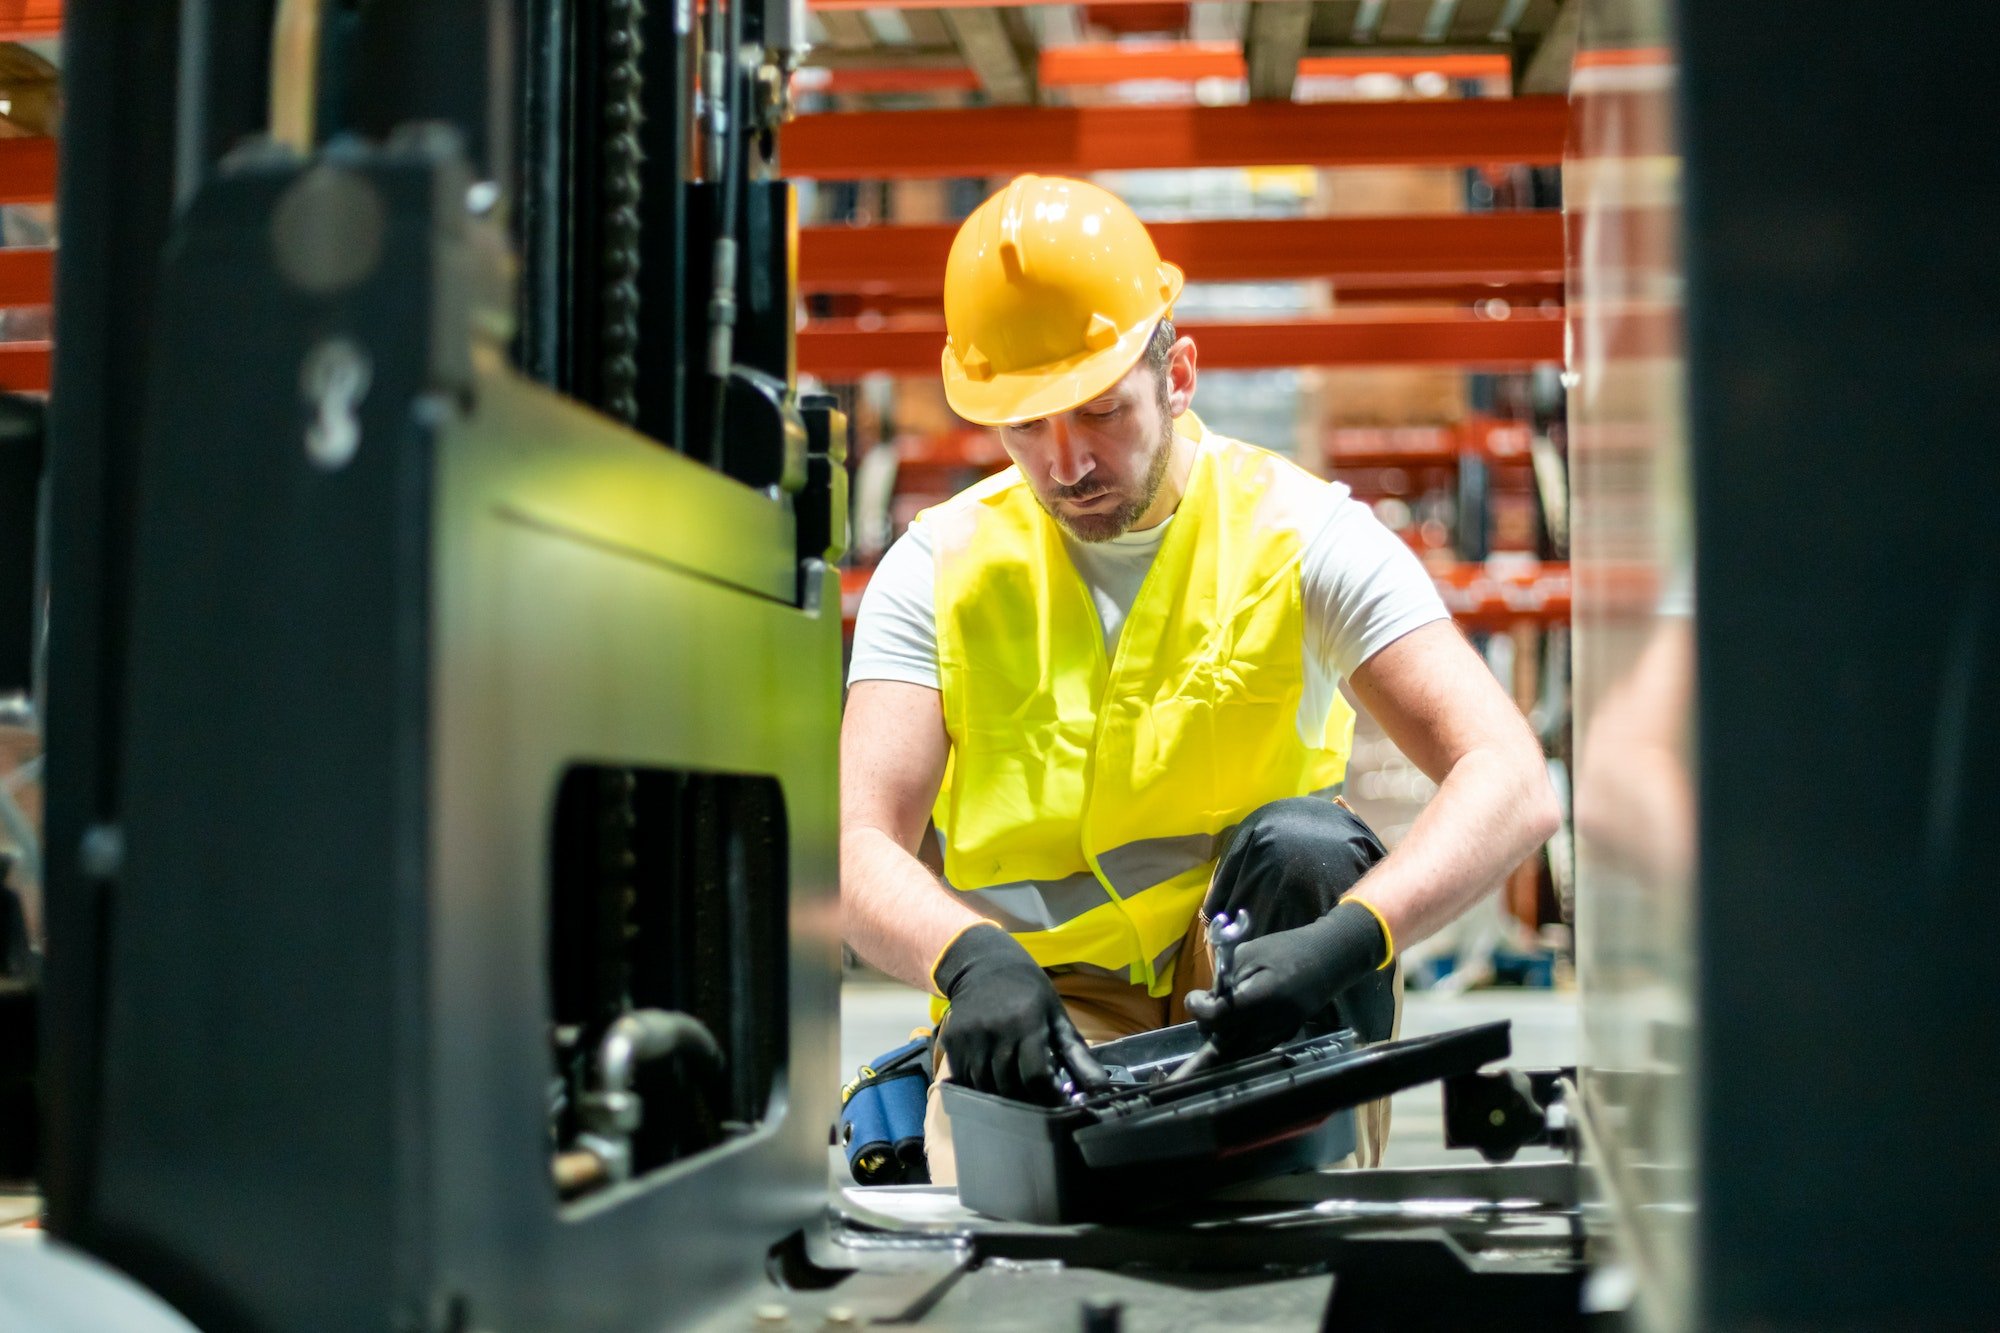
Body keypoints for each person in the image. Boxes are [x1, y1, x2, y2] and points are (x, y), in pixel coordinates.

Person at [840, 175, 1560, 1183]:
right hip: (1040, 1005)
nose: (1064, 463)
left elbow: (1511, 778)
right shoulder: (936, 565)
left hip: (1257, 984)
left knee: (1308, 847)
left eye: (1099, 413)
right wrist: (963, 955)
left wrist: (1352, 935)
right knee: (1017, 1227)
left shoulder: (1303, 533)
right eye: (1025, 426)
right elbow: (855, 844)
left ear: (1176, 372)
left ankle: (1301, 1166)